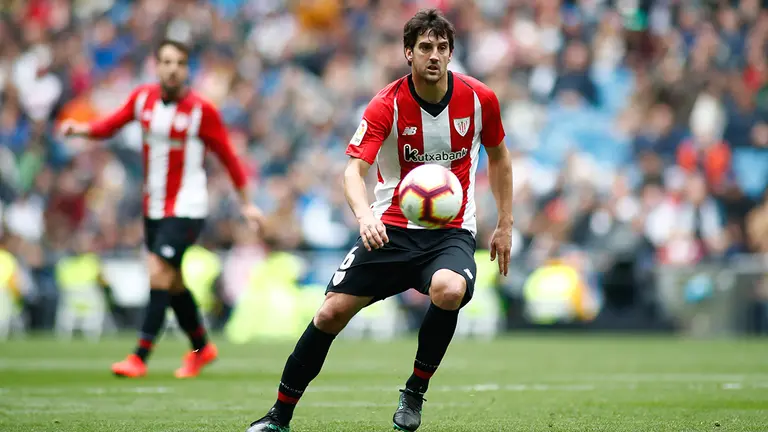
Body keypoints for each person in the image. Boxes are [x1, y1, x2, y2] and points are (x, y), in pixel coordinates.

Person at [247, 9, 513, 432]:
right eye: (425, 47)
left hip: (450, 233)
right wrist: (364, 214)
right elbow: (353, 170)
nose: (435, 56)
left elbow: (499, 157)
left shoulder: (480, 99)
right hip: (389, 231)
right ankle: (279, 415)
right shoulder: (386, 104)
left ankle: (415, 391)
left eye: (442, 48)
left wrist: (505, 224)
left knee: (449, 288)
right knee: (330, 314)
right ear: (408, 53)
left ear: (451, 54)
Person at [60, 39, 264, 379]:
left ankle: (139, 355)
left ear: (187, 69)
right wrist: (81, 129)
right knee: (172, 280)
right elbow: (111, 125)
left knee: (158, 272)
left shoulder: (202, 110)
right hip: (153, 206)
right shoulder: (142, 99)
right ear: (157, 66)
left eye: (180, 63)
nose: (173, 68)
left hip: (187, 205)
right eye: (167, 62)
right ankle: (202, 348)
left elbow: (228, 157)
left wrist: (247, 203)